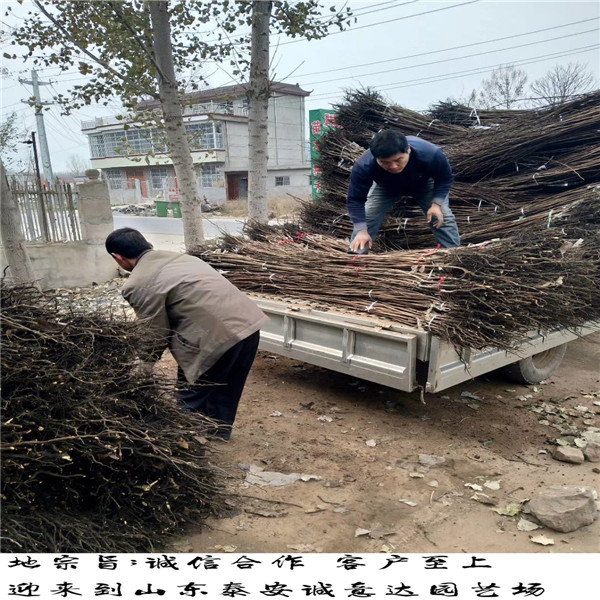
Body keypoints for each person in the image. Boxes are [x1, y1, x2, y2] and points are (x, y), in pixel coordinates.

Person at [105, 227, 269, 440]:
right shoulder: (182, 259)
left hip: (213, 338)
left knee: (190, 396)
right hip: (248, 326)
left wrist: (144, 364)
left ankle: (183, 444)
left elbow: (154, 330)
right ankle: (218, 433)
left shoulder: (138, 283)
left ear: (118, 258)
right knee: (227, 386)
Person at [347, 129, 460, 253]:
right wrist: (361, 230)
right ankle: (355, 262)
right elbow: (355, 200)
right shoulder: (364, 166)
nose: (393, 166)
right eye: (385, 162)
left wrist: (436, 204)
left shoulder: (431, 153)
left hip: (423, 183)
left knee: (442, 216)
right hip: (386, 187)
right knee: (367, 219)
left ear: (409, 150)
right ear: (375, 158)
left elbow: (445, 179)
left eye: (398, 160)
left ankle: (453, 256)